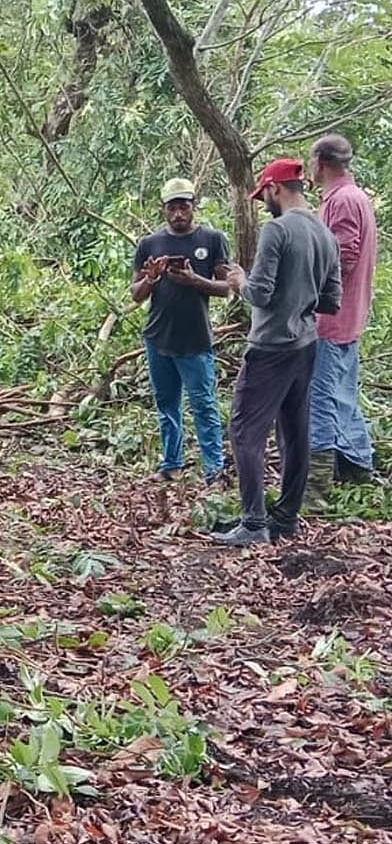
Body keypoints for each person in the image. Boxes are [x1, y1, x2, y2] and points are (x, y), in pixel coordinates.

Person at [213, 158, 342, 546]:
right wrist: (300, 297)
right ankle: (286, 517)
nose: (263, 202)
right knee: (294, 430)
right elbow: (332, 300)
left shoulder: (277, 230)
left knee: (245, 431)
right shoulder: (325, 233)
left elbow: (261, 294)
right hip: (306, 343)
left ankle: (254, 523)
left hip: (270, 346)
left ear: (275, 189)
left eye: (263, 194)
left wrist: (240, 280)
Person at [131, 178, 233, 483]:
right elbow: (136, 294)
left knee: (204, 405)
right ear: (164, 209)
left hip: (196, 338)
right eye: (172, 207)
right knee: (167, 405)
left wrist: (195, 281)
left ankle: (214, 468)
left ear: (193, 206)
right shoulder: (149, 244)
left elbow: (227, 287)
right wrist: (151, 278)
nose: (178, 213)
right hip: (158, 336)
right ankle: (171, 463)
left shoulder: (213, 239)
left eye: (183, 207)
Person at [308, 134, 378, 492]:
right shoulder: (354, 197)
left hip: (331, 319)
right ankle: (359, 468)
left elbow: (343, 257)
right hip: (347, 317)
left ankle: (317, 487)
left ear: (320, 162)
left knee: (321, 398)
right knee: (342, 395)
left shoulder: (344, 201)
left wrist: (307, 292)